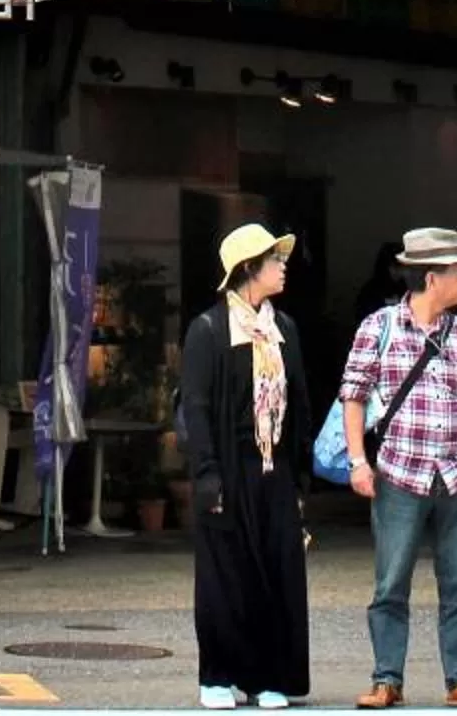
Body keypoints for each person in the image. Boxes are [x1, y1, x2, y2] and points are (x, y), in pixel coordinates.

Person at [340, 226, 457, 712]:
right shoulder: (379, 327)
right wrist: (357, 462)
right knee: (390, 583)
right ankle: (387, 679)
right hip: (399, 475)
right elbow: (353, 395)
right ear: (432, 278)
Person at [180, 222, 314, 712]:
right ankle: (217, 675)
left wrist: (299, 474)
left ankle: (266, 676)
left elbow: (299, 402)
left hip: (274, 469)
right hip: (228, 469)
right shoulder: (209, 330)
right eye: (274, 260)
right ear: (248, 270)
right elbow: (195, 408)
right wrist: (207, 475)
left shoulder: (286, 329)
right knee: (225, 574)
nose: (283, 266)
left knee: (276, 569)